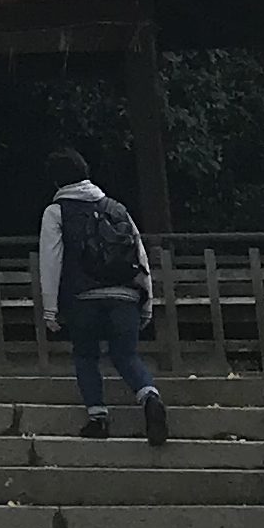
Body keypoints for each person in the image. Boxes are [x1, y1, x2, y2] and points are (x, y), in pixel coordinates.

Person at [38, 145, 168, 446]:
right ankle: (149, 397)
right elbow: (140, 256)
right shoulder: (117, 208)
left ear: (57, 181)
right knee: (126, 355)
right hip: (125, 297)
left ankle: (98, 418)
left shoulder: (56, 212)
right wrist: (146, 301)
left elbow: (51, 260)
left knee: (85, 356)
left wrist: (50, 308)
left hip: (83, 298)